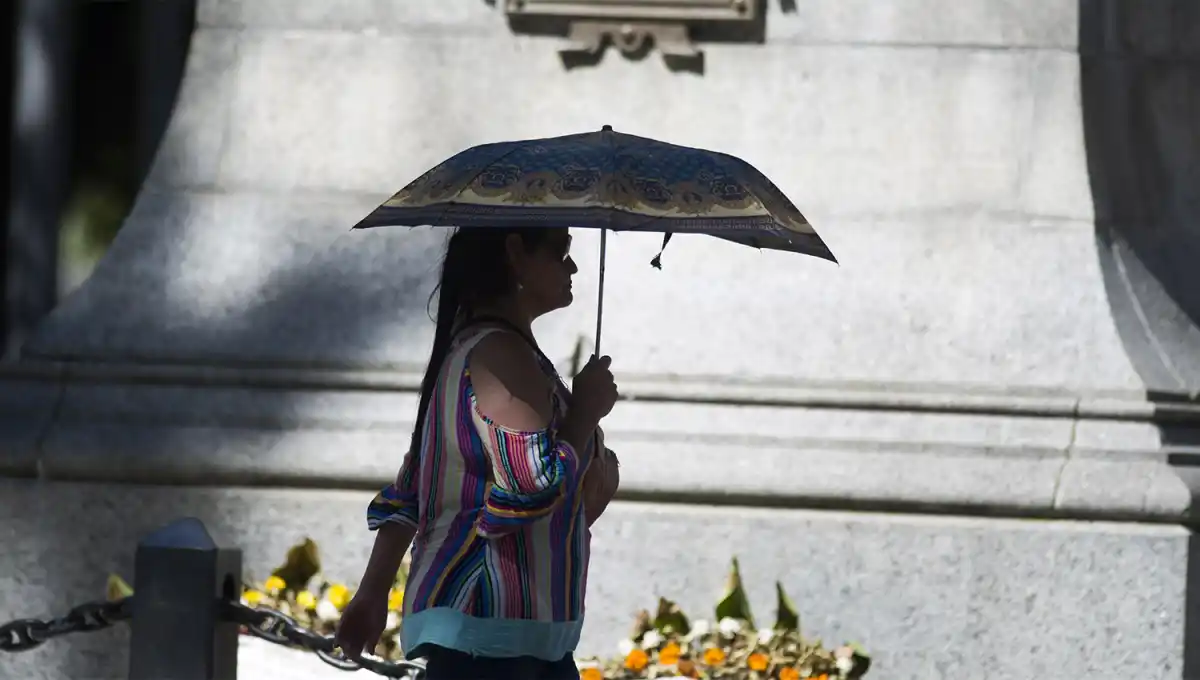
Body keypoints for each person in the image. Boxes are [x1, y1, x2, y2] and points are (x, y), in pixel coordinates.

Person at [334, 226, 622, 680]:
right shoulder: (500, 354)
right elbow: (530, 486)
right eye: (560, 250)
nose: (572, 266)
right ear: (515, 252)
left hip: (518, 640)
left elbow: (411, 491)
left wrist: (372, 594)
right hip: (492, 637)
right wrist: (584, 414)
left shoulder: (483, 348)